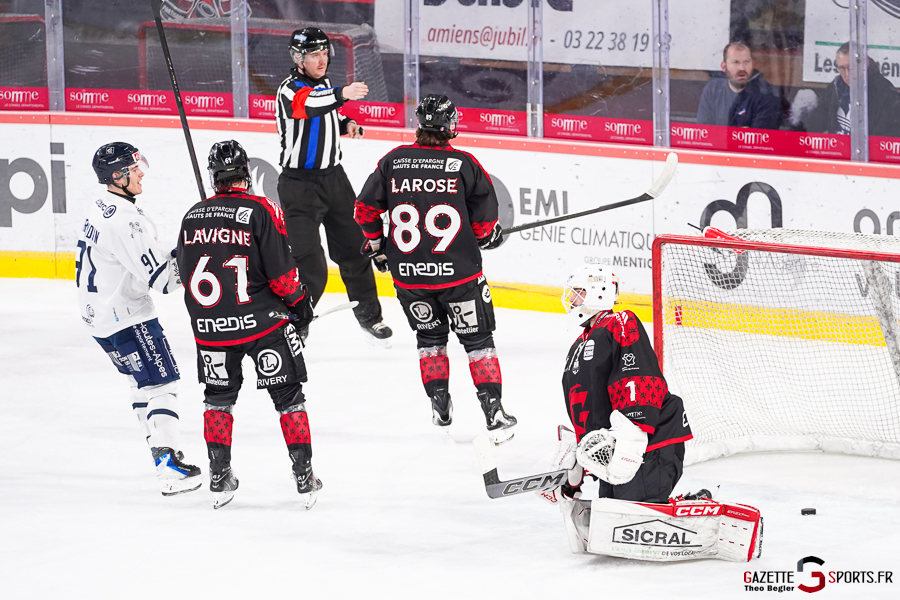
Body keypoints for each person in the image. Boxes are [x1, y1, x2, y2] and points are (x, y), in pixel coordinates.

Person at [353, 94, 517, 443]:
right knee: (478, 341)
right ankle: (493, 411)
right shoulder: (463, 164)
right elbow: (484, 225)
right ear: (449, 126)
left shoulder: (393, 161)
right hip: (460, 277)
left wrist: (378, 246)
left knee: (429, 339)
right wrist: (487, 236)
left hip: (410, 279)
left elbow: (364, 211)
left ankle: (439, 403)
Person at [177, 140, 322, 510]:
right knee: (288, 397)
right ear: (245, 172)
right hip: (262, 324)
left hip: (211, 328)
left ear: (214, 177)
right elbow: (282, 275)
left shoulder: (192, 215)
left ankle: (219, 474)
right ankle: (304, 475)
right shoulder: (262, 209)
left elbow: (183, 272)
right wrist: (301, 306)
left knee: (217, 398)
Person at [77, 142, 201, 496]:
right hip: (127, 317)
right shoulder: (127, 222)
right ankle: (169, 465)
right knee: (162, 385)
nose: (141, 173)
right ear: (117, 176)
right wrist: (197, 249)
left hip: (98, 318)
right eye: (134, 170)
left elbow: (140, 258)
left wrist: (178, 251)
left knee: (139, 383)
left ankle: (159, 452)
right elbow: (164, 281)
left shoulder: (101, 205)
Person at [275, 27, 392, 346]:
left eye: (325, 53)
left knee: (356, 251)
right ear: (298, 58)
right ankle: (296, 323)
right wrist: (343, 93)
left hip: (334, 180)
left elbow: (326, 114)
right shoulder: (289, 90)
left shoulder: (324, 85)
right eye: (315, 54)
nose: (322, 60)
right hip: (299, 186)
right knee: (309, 263)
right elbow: (309, 106)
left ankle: (370, 318)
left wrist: (346, 123)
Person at [548, 264, 692, 504]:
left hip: (647, 444)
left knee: (633, 515)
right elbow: (588, 405)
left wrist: (632, 438)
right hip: (613, 451)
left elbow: (639, 379)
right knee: (611, 517)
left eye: (578, 292)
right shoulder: (578, 346)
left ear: (599, 293)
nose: (571, 300)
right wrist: (580, 454)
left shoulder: (620, 322)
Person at [804, 42, 900, 137]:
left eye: (852, 67)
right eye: (842, 68)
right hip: (836, 145)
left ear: (866, 63)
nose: (847, 74)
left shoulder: (885, 93)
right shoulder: (836, 86)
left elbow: (884, 139)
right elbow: (815, 124)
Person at [696, 42, 782, 130]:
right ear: (724, 67)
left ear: (752, 64)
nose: (742, 68)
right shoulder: (713, 89)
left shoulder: (767, 94)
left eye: (746, 62)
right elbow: (704, 131)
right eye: (735, 62)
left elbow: (758, 136)